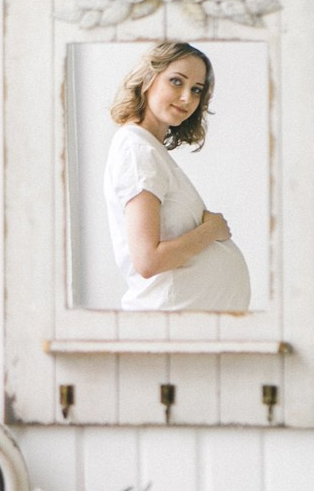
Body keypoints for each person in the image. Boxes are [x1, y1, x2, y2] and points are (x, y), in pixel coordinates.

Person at [103, 42, 251, 312]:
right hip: (168, 324)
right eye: (176, 82)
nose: (186, 98)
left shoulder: (148, 149)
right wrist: (211, 230)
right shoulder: (137, 150)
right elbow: (148, 260)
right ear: (148, 78)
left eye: (196, 90)